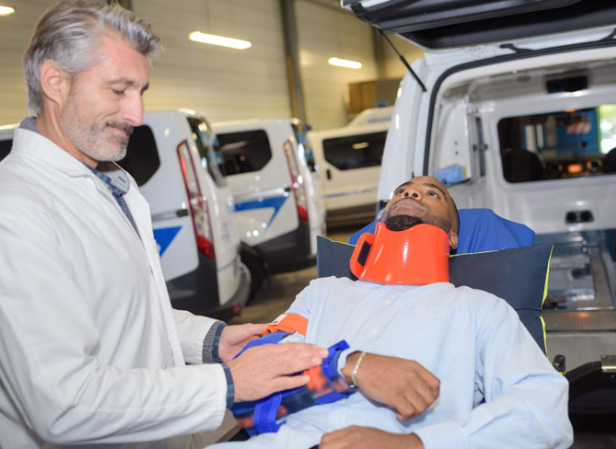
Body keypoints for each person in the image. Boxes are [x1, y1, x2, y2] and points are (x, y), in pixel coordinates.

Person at [0, 1, 327, 447]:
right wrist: (228, 383)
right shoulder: (16, 209)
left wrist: (212, 342)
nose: (136, 114)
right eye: (118, 91)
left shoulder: (107, 183)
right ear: (55, 83)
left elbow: (127, 314)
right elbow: (64, 403)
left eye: (141, 91)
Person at [216, 176, 573, 449]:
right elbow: (247, 392)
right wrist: (345, 367)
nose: (411, 194)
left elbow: (545, 410)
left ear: (452, 238)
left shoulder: (480, 308)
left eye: (432, 193)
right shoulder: (323, 293)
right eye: (402, 191)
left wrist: (416, 443)